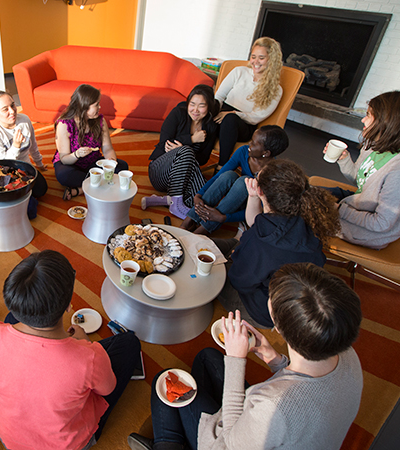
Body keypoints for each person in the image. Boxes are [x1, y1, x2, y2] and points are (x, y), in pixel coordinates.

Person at [128, 263, 363, 450]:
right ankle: (188, 429)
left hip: (232, 440)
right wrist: (275, 360)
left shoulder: (274, 406)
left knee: (165, 380)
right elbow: (307, 380)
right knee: (207, 357)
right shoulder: (347, 354)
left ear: (279, 327)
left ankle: (168, 445)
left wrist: (236, 360)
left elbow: (227, 443)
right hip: (284, 430)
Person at [0, 250, 140, 450]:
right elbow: (108, 388)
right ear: (68, 307)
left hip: (9, 438)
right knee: (129, 343)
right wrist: (85, 344)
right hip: (67, 445)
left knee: (11, 322)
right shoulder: (89, 357)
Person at [214, 159, 340, 328]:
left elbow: (239, 281)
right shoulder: (306, 215)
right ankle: (234, 246)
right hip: (286, 299)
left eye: (257, 176)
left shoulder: (262, 239)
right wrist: (253, 196)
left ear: (261, 190)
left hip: (258, 311)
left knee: (210, 269)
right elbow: (256, 224)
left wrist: (233, 258)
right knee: (212, 245)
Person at [322, 90, 400, 249]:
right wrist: (344, 160)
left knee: (297, 211)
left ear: (386, 121)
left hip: (368, 233)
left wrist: (339, 209)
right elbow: (360, 181)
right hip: (358, 204)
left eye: (368, 114)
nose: (363, 119)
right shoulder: (377, 144)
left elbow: (382, 224)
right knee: (300, 192)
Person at [182, 125, 289, 235]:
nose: (249, 145)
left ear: (266, 153)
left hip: (250, 209)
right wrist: (199, 195)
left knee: (244, 181)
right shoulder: (243, 152)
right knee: (228, 175)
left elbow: (261, 211)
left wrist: (224, 218)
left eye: (254, 143)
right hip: (234, 198)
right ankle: (188, 221)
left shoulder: (272, 173)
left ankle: (202, 231)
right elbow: (219, 176)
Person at [142, 84, 220, 218]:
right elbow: (165, 144)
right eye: (192, 104)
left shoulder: (210, 127)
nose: (195, 110)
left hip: (182, 178)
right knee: (186, 150)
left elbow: (202, 160)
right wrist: (192, 139)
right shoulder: (177, 114)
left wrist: (182, 150)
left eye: (201, 105)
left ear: (209, 107)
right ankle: (176, 204)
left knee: (204, 197)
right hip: (160, 173)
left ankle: (167, 200)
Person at [214, 37, 283, 170]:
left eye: (261, 58)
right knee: (194, 110)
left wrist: (233, 113)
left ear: (271, 60)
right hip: (222, 113)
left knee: (229, 119)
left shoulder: (275, 89)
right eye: (253, 56)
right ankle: (193, 159)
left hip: (243, 124)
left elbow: (257, 116)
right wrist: (212, 111)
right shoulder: (239, 72)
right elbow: (219, 96)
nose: (255, 62)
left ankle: (221, 166)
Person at [54, 84, 129, 201]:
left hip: (93, 163)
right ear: (84, 107)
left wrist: (111, 162)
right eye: (96, 105)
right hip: (70, 164)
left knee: (122, 167)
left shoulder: (100, 120)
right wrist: (77, 154)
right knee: (64, 176)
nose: (99, 107)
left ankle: (81, 189)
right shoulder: (64, 124)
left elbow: (108, 148)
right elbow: (64, 158)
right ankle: (100, 184)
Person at [0, 90, 48, 218]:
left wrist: (39, 163)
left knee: (41, 189)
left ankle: (17, 198)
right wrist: (16, 146)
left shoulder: (24, 120)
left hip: (24, 167)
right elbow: (3, 165)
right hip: (1, 173)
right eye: (5, 109)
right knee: (30, 212)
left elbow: (33, 144)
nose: (12, 111)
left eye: (13, 105)